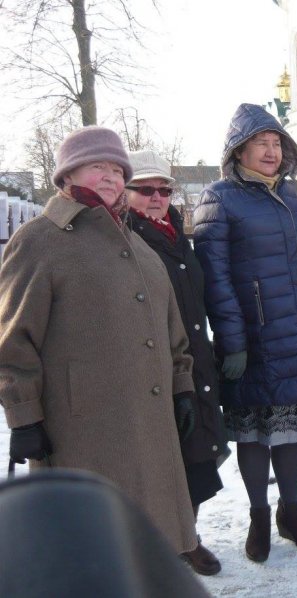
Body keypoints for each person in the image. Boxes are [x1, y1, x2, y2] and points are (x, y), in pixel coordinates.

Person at [0, 126, 198, 555]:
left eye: (117, 169)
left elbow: (172, 331)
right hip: (80, 430)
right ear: (68, 174)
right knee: (88, 550)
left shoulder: (139, 246)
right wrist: (24, 416)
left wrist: (182, 388)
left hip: (150, 423)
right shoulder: (39, 240)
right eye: (97, 167)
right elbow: (13, 340)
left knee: (145, 544)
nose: (110, 177)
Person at [192, 103, 297, 563]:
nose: (271, 152)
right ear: (238, 151)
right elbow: (216, 280)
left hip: (295, 333)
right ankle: (259, 515)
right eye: (260, 144)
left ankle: (291, 512)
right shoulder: (219, 198)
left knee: (291, 430)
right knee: (252, 434)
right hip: (250, 340)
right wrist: (232, 343)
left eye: (276, 143)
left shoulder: (295, 195)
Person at [126, 150, 228, 575]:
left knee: (197, 453)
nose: (157, 197)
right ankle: (155, 544)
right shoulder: (126, 238)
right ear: (126, 192)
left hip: (194, 357)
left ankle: (187, 537)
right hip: (155, 364)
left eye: (163, 190)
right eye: (145, 189)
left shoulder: (174, 234)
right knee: (161, 459)